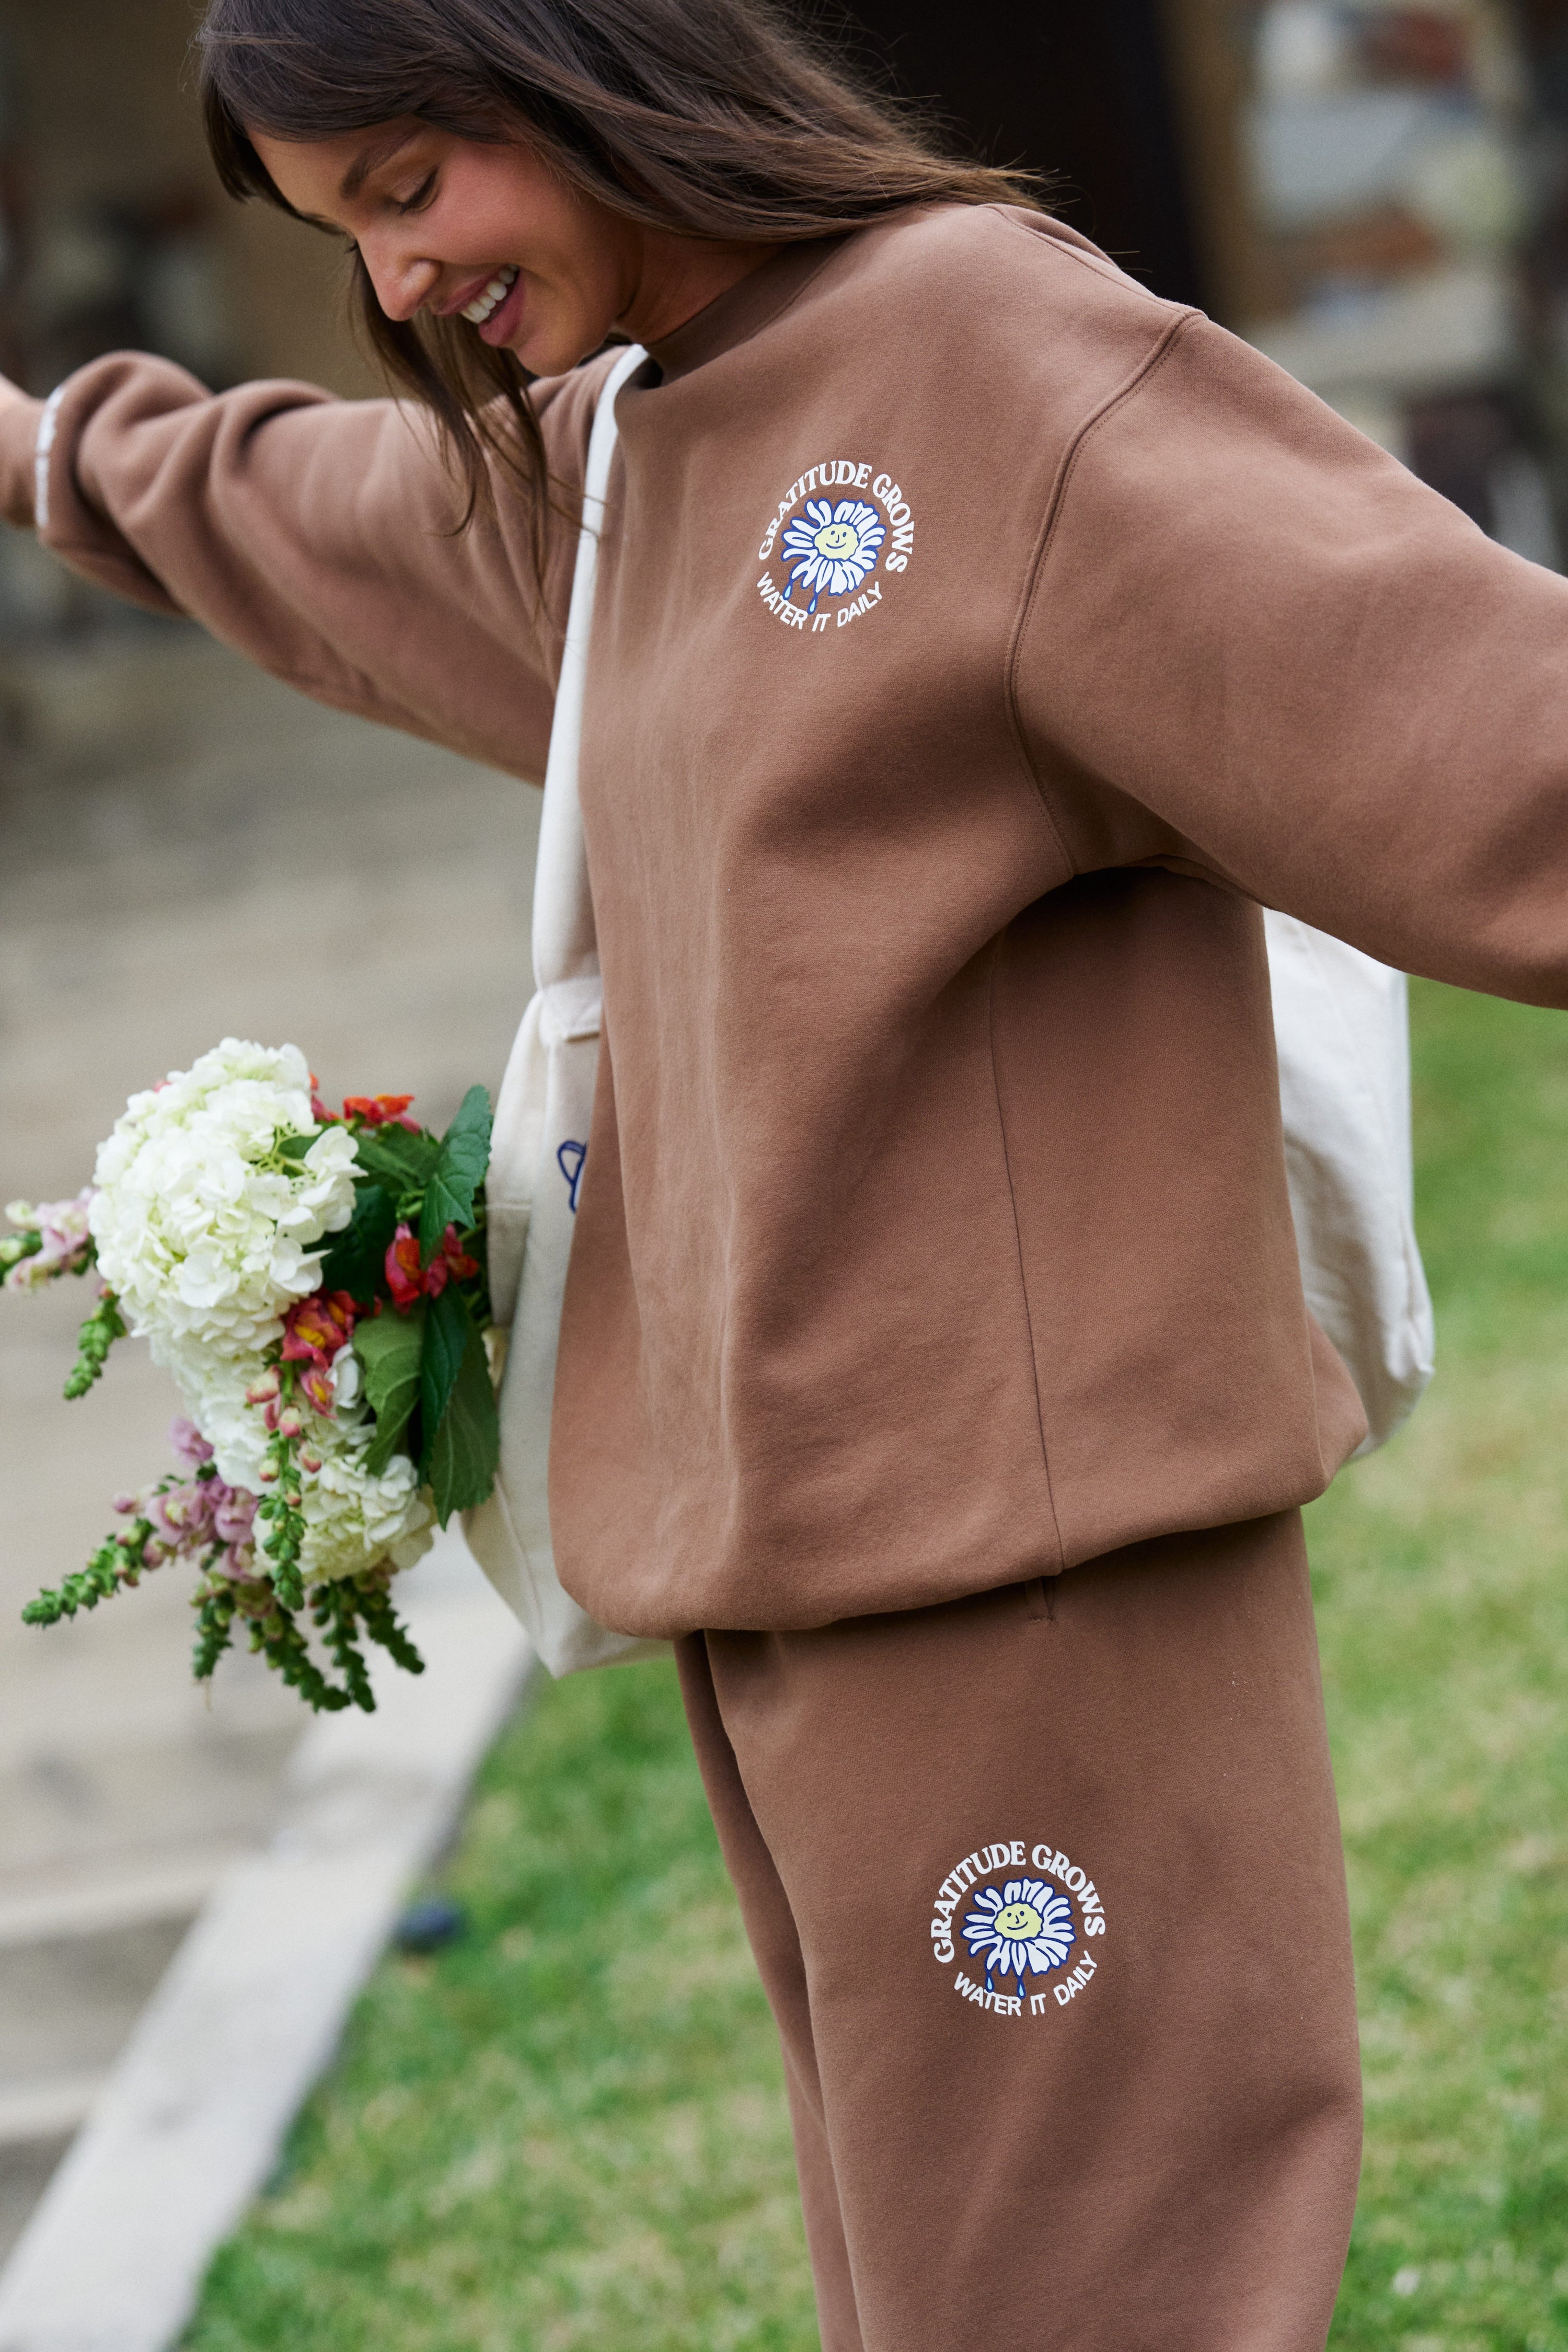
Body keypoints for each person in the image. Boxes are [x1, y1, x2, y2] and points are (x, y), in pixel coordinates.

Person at [2, 2, 1565, 2344]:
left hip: (1037, 1585)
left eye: (412, 188)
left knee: (1098, 2294)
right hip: (803, 1600)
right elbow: (330, 517)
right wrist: (37, 451)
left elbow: (1471, 721)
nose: (397, 283)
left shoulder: (986, 358)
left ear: (578, 63)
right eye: (345, 236)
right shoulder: (634, 456)